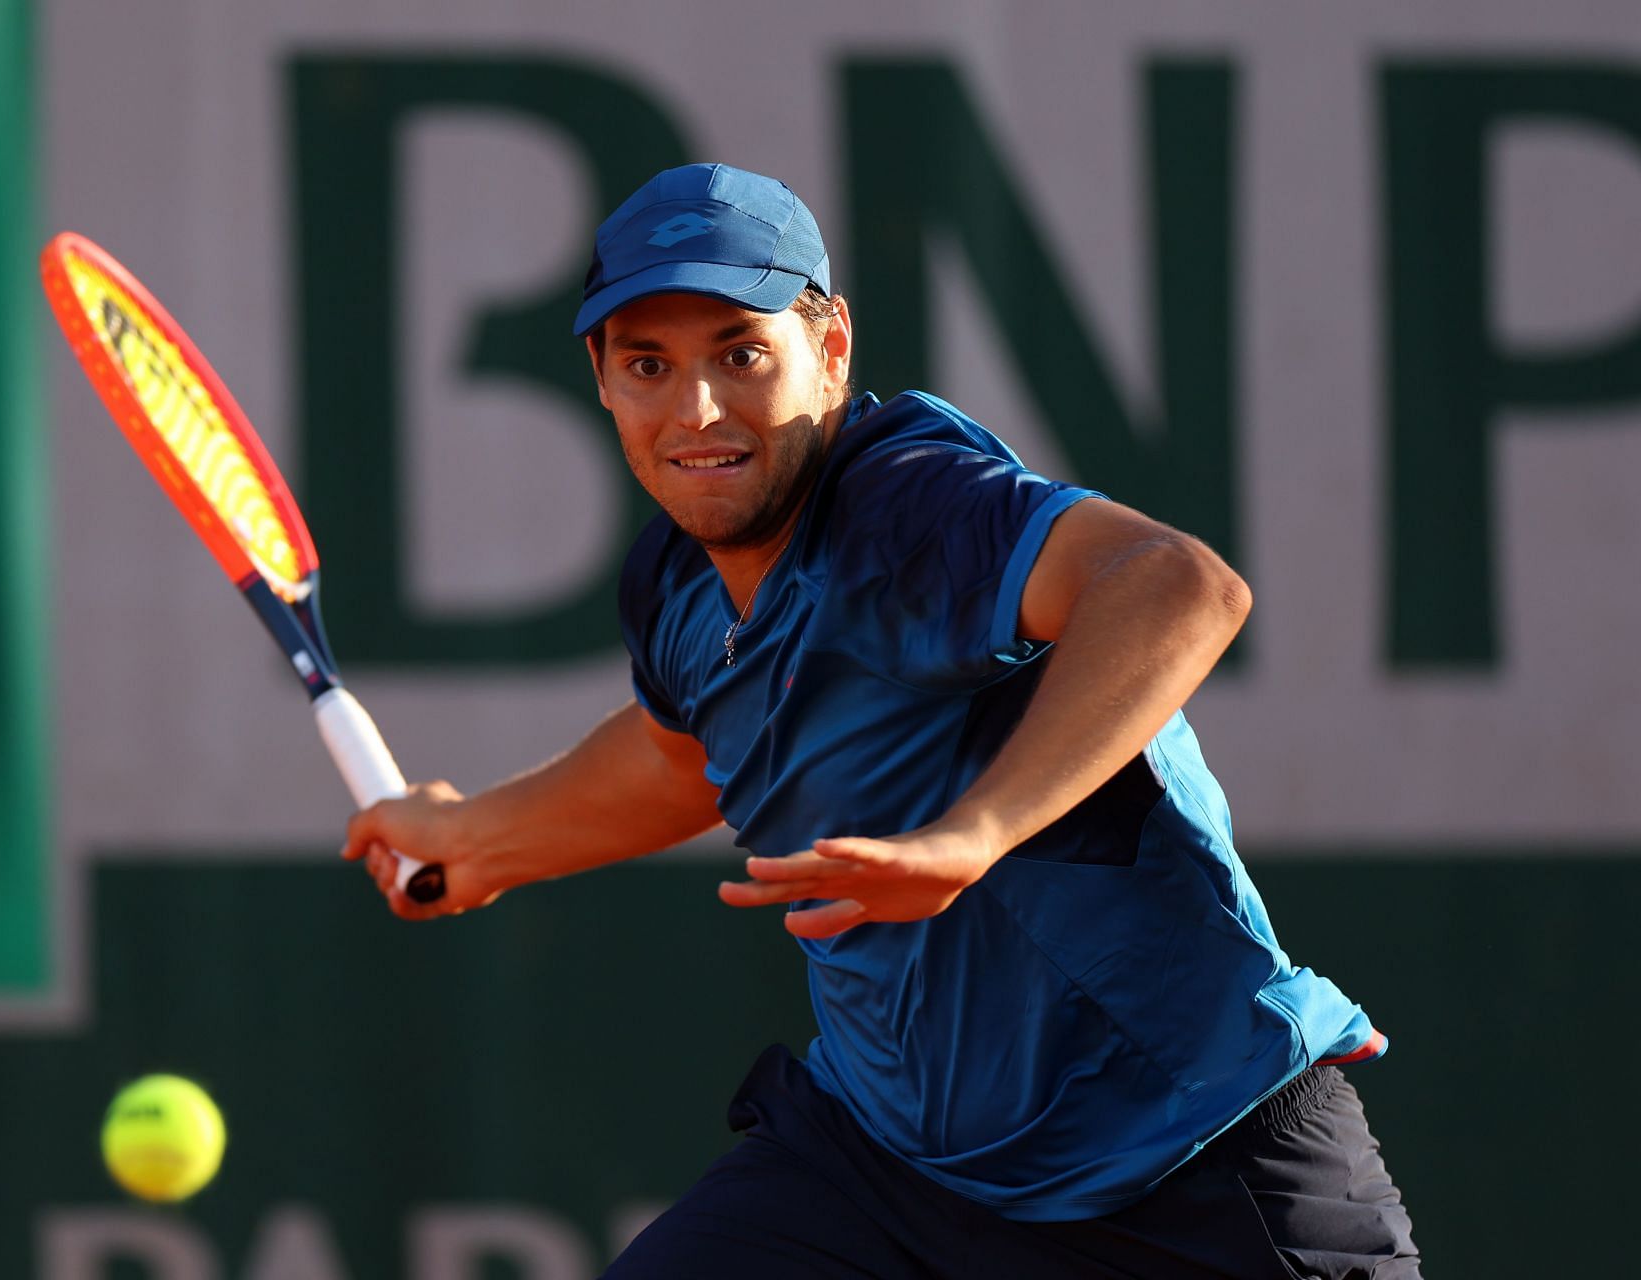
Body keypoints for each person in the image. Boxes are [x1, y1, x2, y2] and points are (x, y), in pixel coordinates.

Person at [343, 163, 1421, 1278]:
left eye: (740, 353)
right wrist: (483, 835)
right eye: (648, 364)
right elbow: (687, 754)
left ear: (832, 347)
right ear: (602, 380)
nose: (695, 409)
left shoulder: (910, 507)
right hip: (891, 1172)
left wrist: (973, 831)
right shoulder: (674, 581)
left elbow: (1178, 583)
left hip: (1187, 1158)